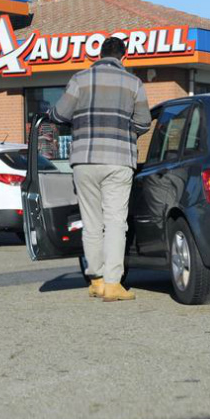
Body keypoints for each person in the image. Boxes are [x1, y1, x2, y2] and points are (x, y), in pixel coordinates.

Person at [51, 36, 151, 302]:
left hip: (85, 159)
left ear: (99, 54)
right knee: (115, 223)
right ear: (123, 56)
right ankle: (113, 284)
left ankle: (95, 280)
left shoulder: (80, 79)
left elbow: (59, 115)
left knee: (92, 223)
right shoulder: (133, 83)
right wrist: (125, 130)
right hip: (119, 160)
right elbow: (144, 122)